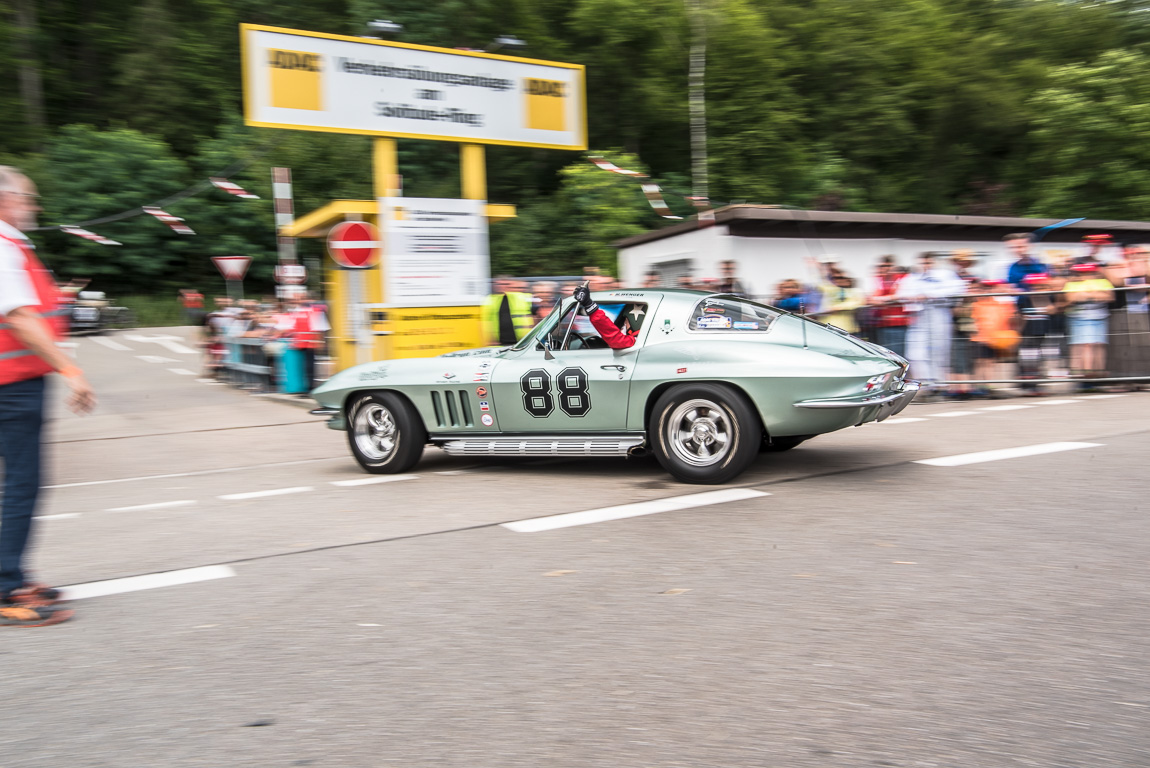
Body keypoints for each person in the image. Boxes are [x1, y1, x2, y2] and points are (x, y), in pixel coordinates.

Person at [0, 166, 95, 627]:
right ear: (6, 201)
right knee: (21, 485)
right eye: (28, 199)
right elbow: (19, 318)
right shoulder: (2, 247)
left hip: (15, 381)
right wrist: (70, 369)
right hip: (12, 384)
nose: (33, 208)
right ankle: (5, 588)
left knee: (18, 485)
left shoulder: (13, 246)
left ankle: (11, 573)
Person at [895, 252, 967, 388]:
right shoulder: (912, 278)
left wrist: (930, 295)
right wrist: (915, 297)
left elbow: (957, 290)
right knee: (915, 353)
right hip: (919, 317)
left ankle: (938, 385)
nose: (925, 266)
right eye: (923, 263)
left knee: (939, 351)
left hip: (939, 315)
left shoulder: (946, 275)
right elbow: (901, 293)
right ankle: (926, 383)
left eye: (928, 262)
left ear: (935, 263)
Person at [1063, 262, 1115, 387]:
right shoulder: (1071, 283)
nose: (1086, 275)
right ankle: (1084, 375)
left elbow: (1109, 296)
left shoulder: (1103, 282)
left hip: (1099, 317)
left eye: (1089, 273)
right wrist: (1094, 294)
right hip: (1078, 319)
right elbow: (1070, 298)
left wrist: (1086, 294)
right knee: (1082, 346)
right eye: (1083, 273)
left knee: (1098, 346)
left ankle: (1098, 374)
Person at [571, 283, 637, 349]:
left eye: (626, 320)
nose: (624, 324)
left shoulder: (638, 341)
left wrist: (589, 305)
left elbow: (617, 340)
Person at [868, 256, 909, 357]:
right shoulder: (878, 279)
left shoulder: (902, 278)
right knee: (885, 352)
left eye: (888, 266)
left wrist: (883, 299)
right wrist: (886, 298)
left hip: (900, 324)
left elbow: (901, 295)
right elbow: (870, 298)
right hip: (882, 324)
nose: (885, 269)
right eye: (882, 266)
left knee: (898, 353)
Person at [480, 276, 533, 346]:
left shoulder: (521, 297)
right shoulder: (490, 300)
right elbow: (486, 321)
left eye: (507, 284)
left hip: (521, 340)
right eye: (500, 284)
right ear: (495, 286)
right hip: (500, 342)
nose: (503, 286)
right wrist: (490, 339)